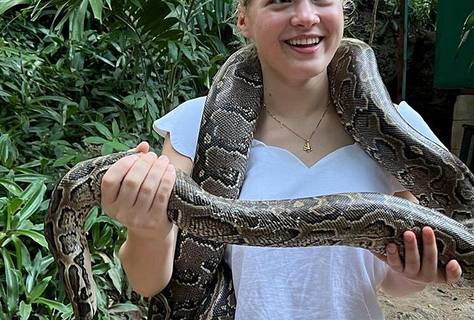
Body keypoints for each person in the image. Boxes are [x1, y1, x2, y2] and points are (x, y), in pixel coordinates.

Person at [100, 0, 463, 318]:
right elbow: (148, 283)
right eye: (280, 0)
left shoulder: (403, 131)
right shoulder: (195, 124)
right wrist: (149, 229)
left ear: (342, 9)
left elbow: (392, 283)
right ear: (244, 19)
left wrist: (415, 271)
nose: (305, 16)